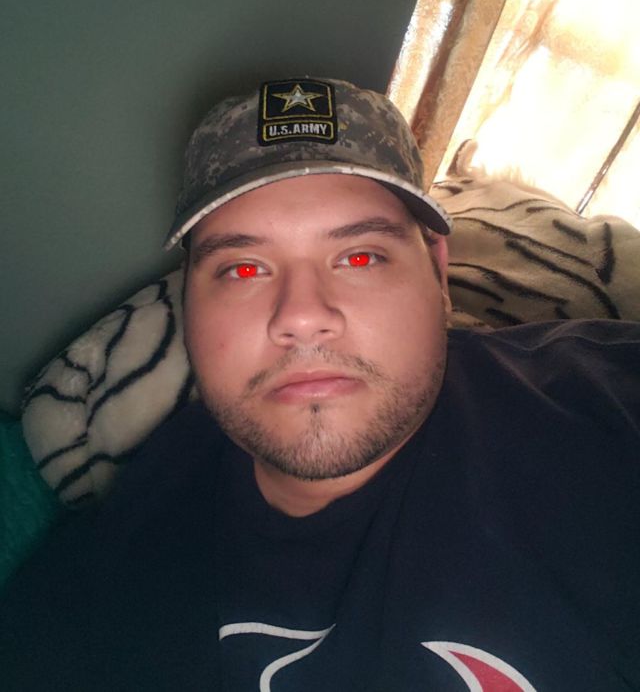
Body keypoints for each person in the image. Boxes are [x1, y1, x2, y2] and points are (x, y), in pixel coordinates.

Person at [1, 78, 639, 691]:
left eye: (359, 257)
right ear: (187, 300)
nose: (302, 316)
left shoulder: (604, 414)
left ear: (439, 273)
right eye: (243, 268)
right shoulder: (138, 532)